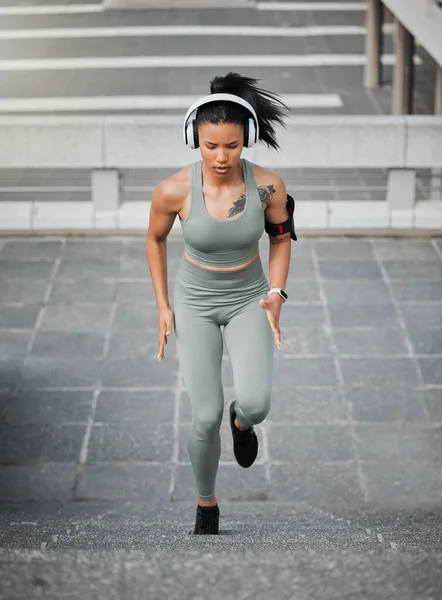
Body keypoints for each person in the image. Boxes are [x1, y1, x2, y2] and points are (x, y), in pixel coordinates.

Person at [146, 72, 296, 535]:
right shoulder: (174, 190)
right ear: (195, 138)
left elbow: (282, 239)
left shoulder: (268, 187)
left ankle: (242, 421)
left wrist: (275, 293)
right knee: (203, 415)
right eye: (211, 146)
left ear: (245, 139)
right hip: (195, 302)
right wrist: (164, 305)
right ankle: (207, 503)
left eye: (231, 145)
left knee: (256, 402)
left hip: (248, 297)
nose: (221, 156)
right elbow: (153, 240)